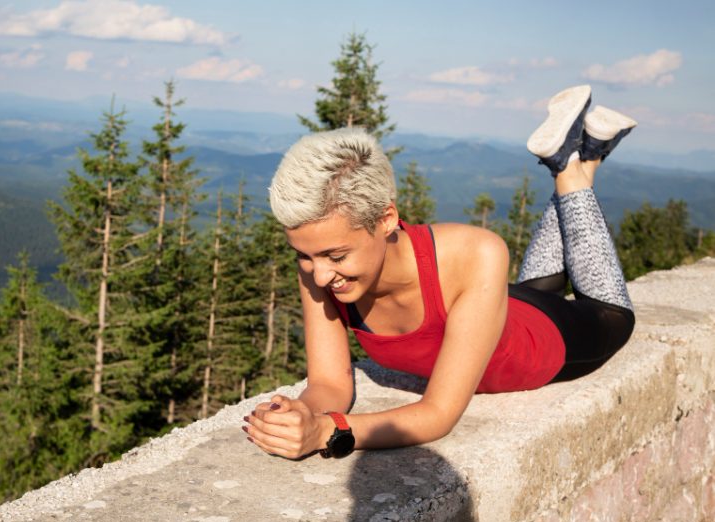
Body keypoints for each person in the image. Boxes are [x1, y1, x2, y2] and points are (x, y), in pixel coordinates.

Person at [242, 85, 636, 459]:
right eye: (305, 256)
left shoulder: (477, 252)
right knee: (542, 286)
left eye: (337, 256)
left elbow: (438, 414)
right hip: (493, 310)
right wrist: (302, 413)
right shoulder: (319, 264)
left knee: (613, 315)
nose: (319, 276)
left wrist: (328, 431)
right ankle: (587, 155)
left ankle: (568, 168)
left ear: (386, 219)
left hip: (552, 339)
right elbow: (329, 384)